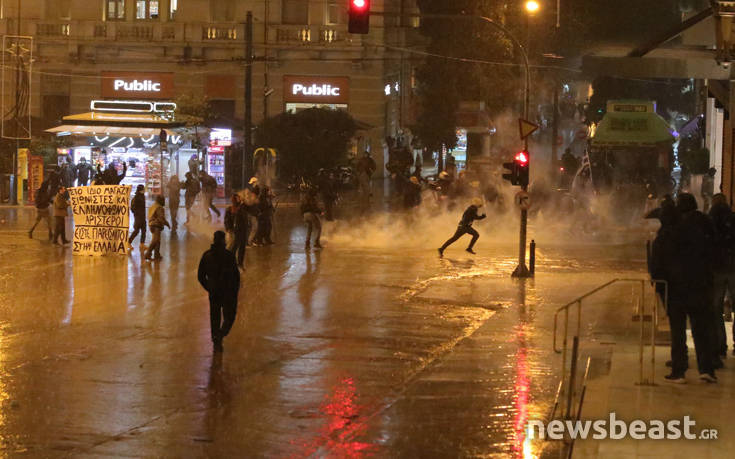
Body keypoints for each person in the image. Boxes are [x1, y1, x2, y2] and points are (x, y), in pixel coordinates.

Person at [661, 193, 717, 383]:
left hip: (678, 288)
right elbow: (712, 253)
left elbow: (664, 259)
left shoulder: (674, 228)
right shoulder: (705, 224)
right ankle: (706, 369)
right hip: (700, 286)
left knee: (678, 332)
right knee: (701, 330)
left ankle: (679, 370)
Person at [198, 231, 241, 352]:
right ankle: (221, 334)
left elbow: (201, 276)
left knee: (215, 316)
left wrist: (209, 287)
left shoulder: (206, 255)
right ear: (223, 241)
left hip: (214, 292)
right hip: (228, 292)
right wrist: (235, 290)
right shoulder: (229, 256)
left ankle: (216, 338)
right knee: (230, 316)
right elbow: (235, 276)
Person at [708, 193, 734, 362]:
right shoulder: (733, 218)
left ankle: (720, 347)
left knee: (716, 309)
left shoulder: (710, 220)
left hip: (717, 269)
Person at [225, 194, 248, 269]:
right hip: (235, 231)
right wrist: (229, 229)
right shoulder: (230, 209)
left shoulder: (242, 208)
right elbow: (227, 220)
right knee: (234, 247)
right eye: (237, 198)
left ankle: (240, 263)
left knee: (242, 247)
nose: (239, 199)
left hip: (243, 231)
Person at [144, 195, 170, 261]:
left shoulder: (153, 206)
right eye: (163, 200)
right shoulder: (159, 207)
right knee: (155, 240)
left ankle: (157, 255)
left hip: (151, 225)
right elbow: (161, 218)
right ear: (160, 201)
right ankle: (148, 254)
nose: (164, 202)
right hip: (156, 226)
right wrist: (167, 224)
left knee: (157, 241)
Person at [127, 185, 147, 251]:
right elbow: (133, 208)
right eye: (143, 189)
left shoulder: (142, 196)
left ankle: (142, 244)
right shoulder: (136, 198)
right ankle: (129, 242)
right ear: (140, 190)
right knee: (136, 231)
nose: (144, 190)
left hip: (142, 217)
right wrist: (137, 213)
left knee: (144, 230)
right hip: (138, 217)